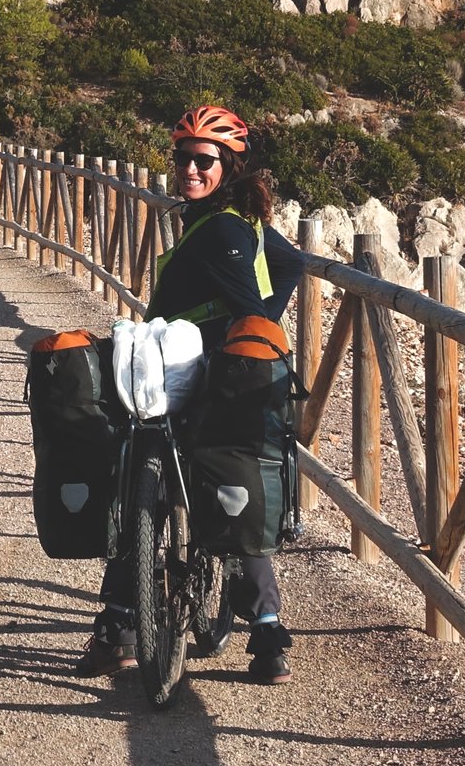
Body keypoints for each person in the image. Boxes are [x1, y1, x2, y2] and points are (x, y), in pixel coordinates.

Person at [75, 104, 308, 685]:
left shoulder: (223, 228)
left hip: (196, 373)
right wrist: (255, 323)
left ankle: (120, 626)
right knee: (230, 474)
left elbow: (252, 300)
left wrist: (247, 323)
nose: (188, 168)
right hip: (207, 366)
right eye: (181, 158)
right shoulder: (236, 220)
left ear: (227, 166)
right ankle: (267, 630)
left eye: (202, 160)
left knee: (137, 474)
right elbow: (291, 263)